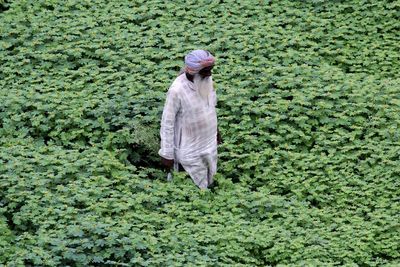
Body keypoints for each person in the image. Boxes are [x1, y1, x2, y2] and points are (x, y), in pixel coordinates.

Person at [159, 49, 221, 189]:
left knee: (210, 182)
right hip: (189, 152)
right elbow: (167, 124)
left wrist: (216, 130)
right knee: (191, 190)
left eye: (210, 70)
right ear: (193, 71)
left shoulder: (206, 79)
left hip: (209, 144)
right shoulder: (177, 90)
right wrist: (166, 154)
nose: (210, 74)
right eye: (206, 71)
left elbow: (211, 106)